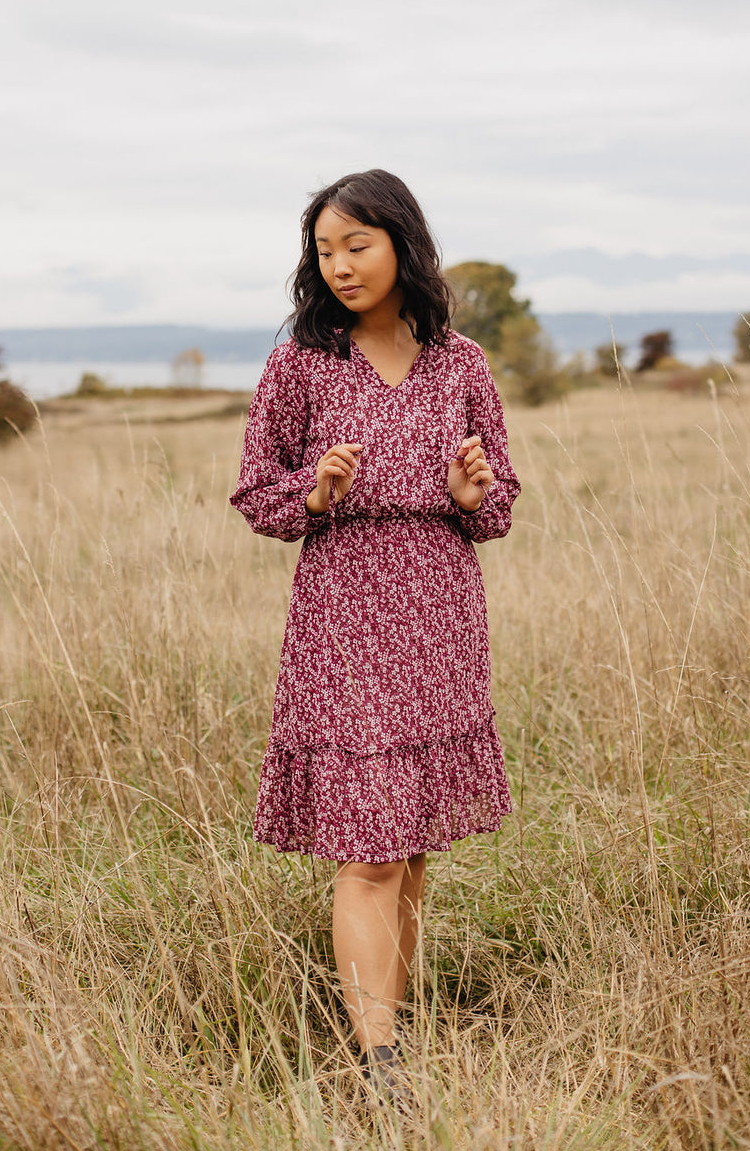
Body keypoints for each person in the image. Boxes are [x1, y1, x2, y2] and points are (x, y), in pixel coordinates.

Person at [230, 168, 520, 1105]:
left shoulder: (461, 363)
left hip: (439, 609)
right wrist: (313, 494)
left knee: (416, 837)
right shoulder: (301, 364)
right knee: (372, 847)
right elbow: (256, 493)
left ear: (401, 243)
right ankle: (382, 1065)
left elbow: (500, 498)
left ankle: (391, 1023)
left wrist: (475, 500)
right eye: (325, 250)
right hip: (343, 615)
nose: (341, 264)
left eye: (358, 243)